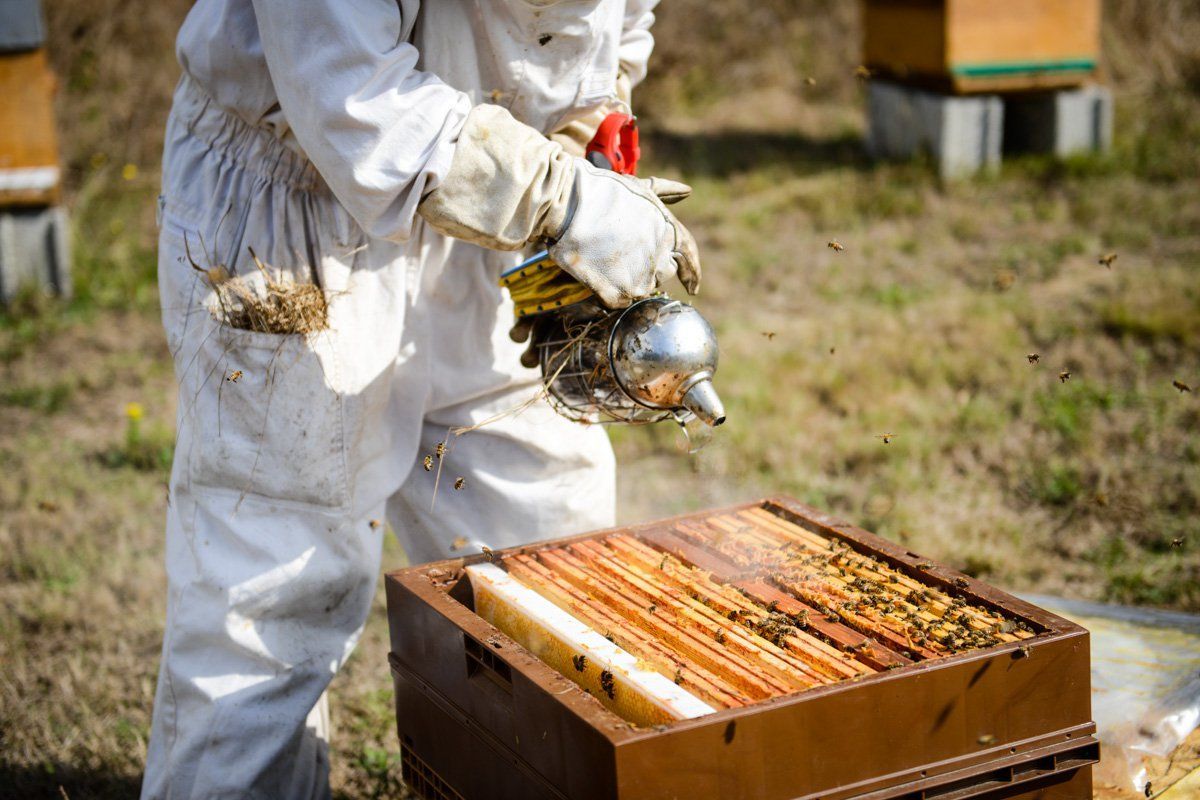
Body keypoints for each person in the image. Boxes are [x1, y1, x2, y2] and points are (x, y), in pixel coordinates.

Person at [143, 0, 701, 797]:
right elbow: (353, 100)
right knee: (275, 588)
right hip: (294, 211)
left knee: (548, 538)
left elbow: (615, 27)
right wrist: (561, 199)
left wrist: (586, 133)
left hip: (488, 221)